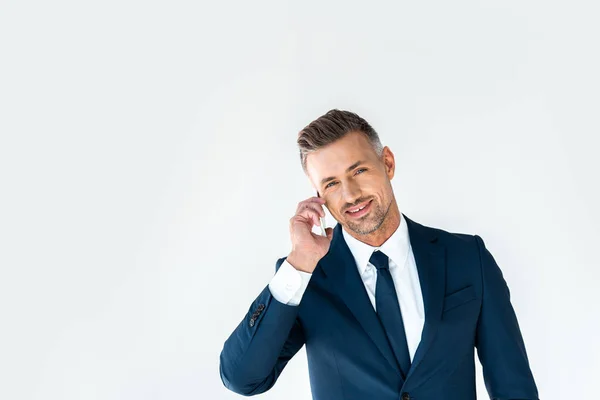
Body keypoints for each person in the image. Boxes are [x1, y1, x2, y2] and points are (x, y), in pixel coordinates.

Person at [218, 109, 539, 400]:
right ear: (318, 197)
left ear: (387, 163)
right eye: (331, 184)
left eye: (358, 171)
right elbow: (243, 379)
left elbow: (514, 387)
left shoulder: (468, 258)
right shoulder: (308, 278)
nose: (350, 195)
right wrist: (299, 263)